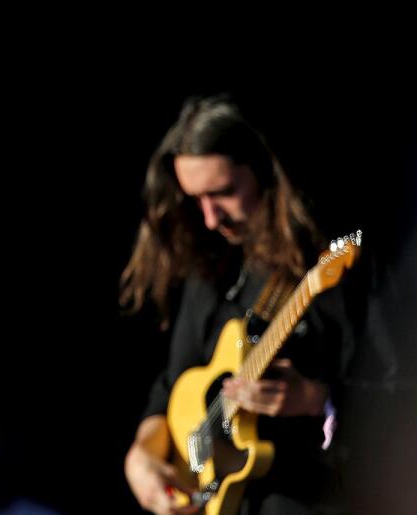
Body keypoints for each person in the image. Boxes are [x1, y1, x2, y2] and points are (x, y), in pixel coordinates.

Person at [119, 96, 353, 515]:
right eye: (196, 199)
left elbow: (402, 390)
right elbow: (175, 385)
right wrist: (140, 456)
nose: (210, 218)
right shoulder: (210, 263)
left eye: (224, 192)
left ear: (268, 172)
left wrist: (318, 399)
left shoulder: (329, 264)